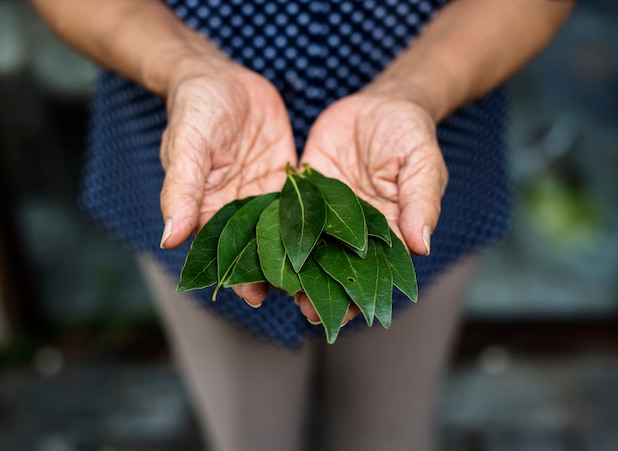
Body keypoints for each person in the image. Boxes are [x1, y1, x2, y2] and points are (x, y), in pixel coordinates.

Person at [31, 0, 574, 449]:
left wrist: (417, 88)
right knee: (247, 435)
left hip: (411, 154)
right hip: (203, 157)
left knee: (390, 432)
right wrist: (183, 66)